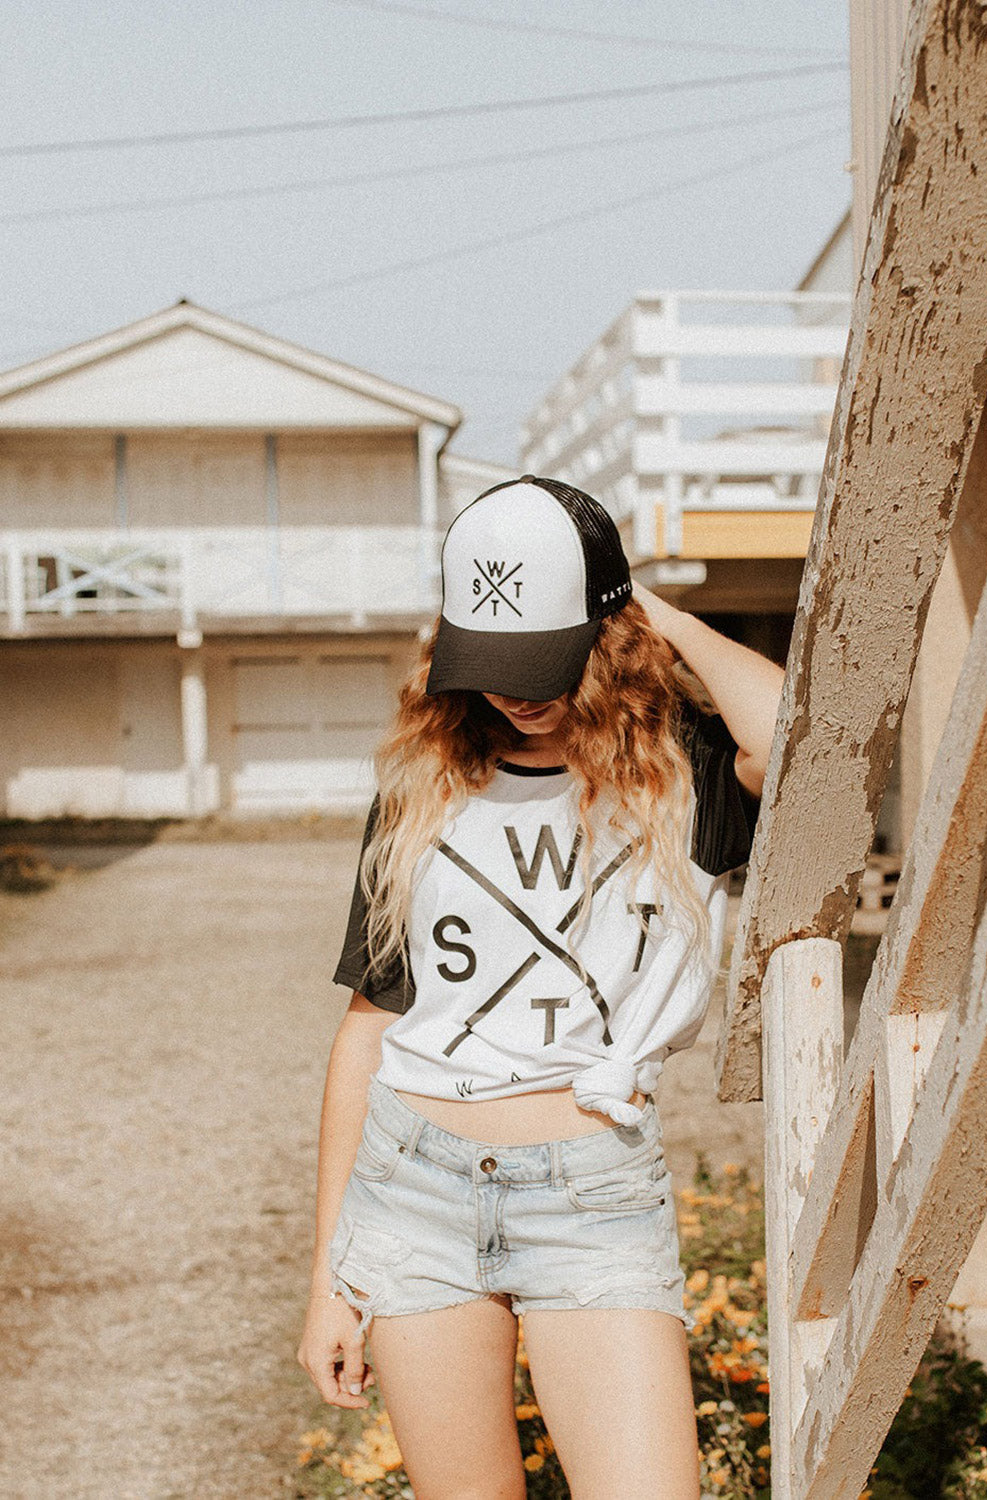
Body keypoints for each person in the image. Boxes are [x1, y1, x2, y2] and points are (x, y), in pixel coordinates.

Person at [297, 475, 783, 1498]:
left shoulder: (679, 774)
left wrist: (653, 612)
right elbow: (367, 1028)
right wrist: (328, 1281)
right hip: (412, 1186)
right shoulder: (420, 786)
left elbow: (795, 737)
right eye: (489, 663)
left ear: (608, 635)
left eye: (540, 659)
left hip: (590, 1193)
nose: (513, 692)